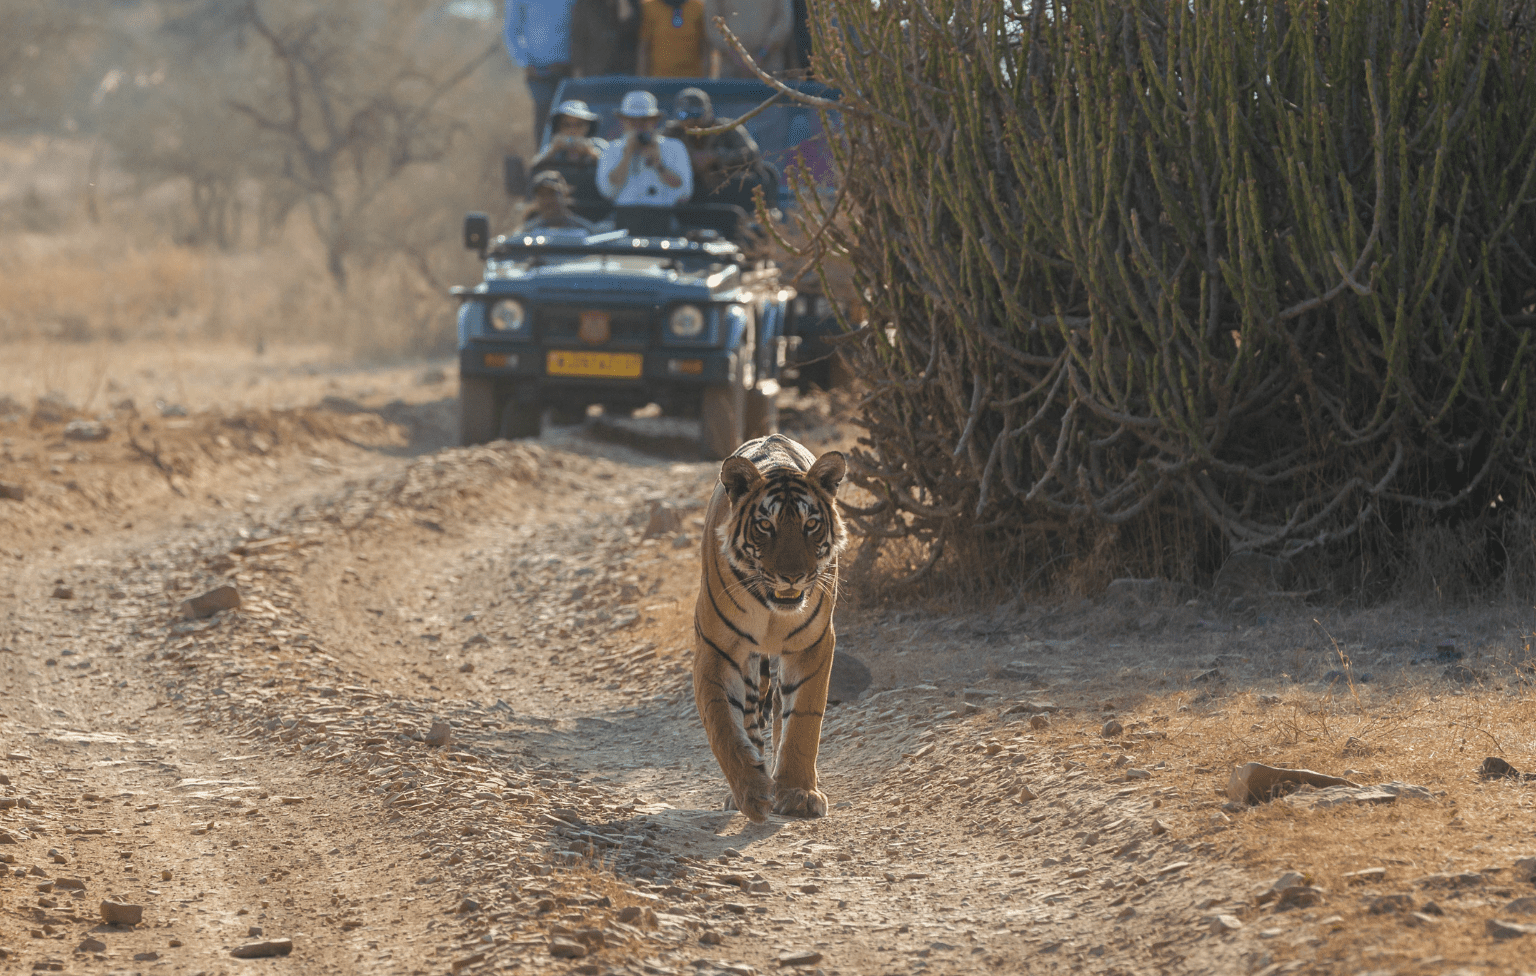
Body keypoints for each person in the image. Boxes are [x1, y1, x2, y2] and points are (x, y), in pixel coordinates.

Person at [663, 87, 777, 209]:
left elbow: (752, 154)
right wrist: (689, 159)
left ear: (709, 112)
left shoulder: (726, 128)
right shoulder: (671, 133)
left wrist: (715, 157)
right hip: (685, 200)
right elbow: (656, 154)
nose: (691, 121)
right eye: (684, 115)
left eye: (696, 114)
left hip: (730, 197)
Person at [597, 90, 693, 211]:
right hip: (625, 215)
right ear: (623, 121)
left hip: (664, 214)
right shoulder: (611, 149)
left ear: (655, 120)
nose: (638, 125)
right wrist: (627, 155)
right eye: (632, 120)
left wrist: (659, 164)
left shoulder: (674, 147)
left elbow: (685, 193)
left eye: (644, 120)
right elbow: (607, 192)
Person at [505, 0, 579, 146]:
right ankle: (544, 157)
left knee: (572, 118)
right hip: (538, 72)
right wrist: (524, 62)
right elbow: (511, 31)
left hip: (568, 71)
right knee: (545, 116)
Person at [705, 0, 793, 78]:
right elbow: (712, 23)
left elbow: (784, 21)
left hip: (769, 68)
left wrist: (762, 54)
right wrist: (735, 57)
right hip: (730, 70)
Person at [637, 0, 707, 78]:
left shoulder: (698, 8)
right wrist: (642, 80)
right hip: (659, 79)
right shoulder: (649, 8)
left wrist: (707, 81)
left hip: (693, 79)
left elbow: (706, 49)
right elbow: (644, 48)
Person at [529, 100, 606, 170]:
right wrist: (552, 150)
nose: (573, 130)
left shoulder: (598, 144)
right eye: (566, 125)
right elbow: (533, 167)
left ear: (588, 126)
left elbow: (609, 167)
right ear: (559, 127)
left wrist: (590, 152)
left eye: (579, 124)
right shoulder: (554, 147)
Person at [570, 0, 639, 76]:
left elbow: (630, 27)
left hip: (624, 70)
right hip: (594, 70)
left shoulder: (632, 3)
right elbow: (578, 39)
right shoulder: (586, 4)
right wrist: (577, 72)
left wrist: (623, 2)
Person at [516, 171, 599, 233]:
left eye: (552, 194)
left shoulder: (585, 230)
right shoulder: (527, 232)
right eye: (542, 195)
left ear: (564, 194)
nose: (547, 200)